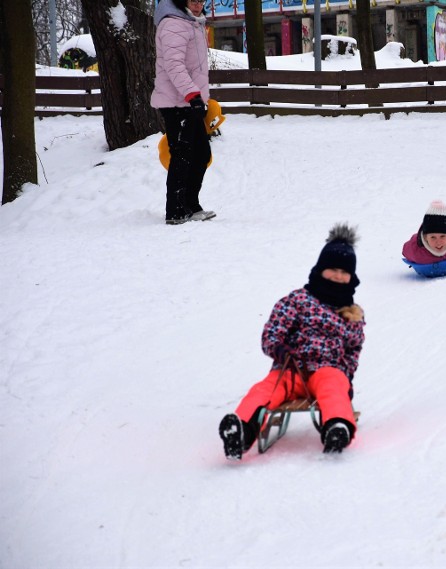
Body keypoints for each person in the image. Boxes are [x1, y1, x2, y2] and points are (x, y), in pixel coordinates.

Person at [219, 224, 365, 458]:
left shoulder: (352, 312)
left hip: (328, 370)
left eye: (344, 271)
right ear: (320, 269)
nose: (338, 275)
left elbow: (353, 349)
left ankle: (337, 427)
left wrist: (346, 375)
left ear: (351, 277)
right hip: (290, 367)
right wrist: (280, 350)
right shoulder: (298, 300)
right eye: (333, 269)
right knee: (265, 389)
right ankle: (241, 430)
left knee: (334, 387)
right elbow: (271, 333)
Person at [150, 0, 216, 225]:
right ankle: (176, 210)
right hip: (177, 102)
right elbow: (174, 65)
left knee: (201, 154)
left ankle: (190, 205)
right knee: (183, 155)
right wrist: (192, 95)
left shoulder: (192, 23)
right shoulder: (174, 24)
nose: (198, 4)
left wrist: (197, 97)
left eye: (202, 0)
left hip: (190, 101)